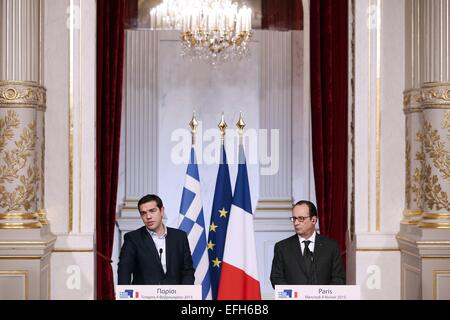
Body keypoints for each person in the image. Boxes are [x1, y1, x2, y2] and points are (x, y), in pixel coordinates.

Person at [117, 194, 195, 285]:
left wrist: (185, 295)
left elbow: (187, 271)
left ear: (161, 211)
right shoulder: (132, 238)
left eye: (152, 211)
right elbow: (124, 271)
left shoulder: (180, 237)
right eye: (143, 213)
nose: (148, 217)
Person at [270, 200, 345, 287]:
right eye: (294, 218)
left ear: (313, 220)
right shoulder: (282, 248)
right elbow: (276, 279)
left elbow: (339, 279)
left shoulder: (331, 246)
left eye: (301, 218)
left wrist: (323, 295)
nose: (296, 223)